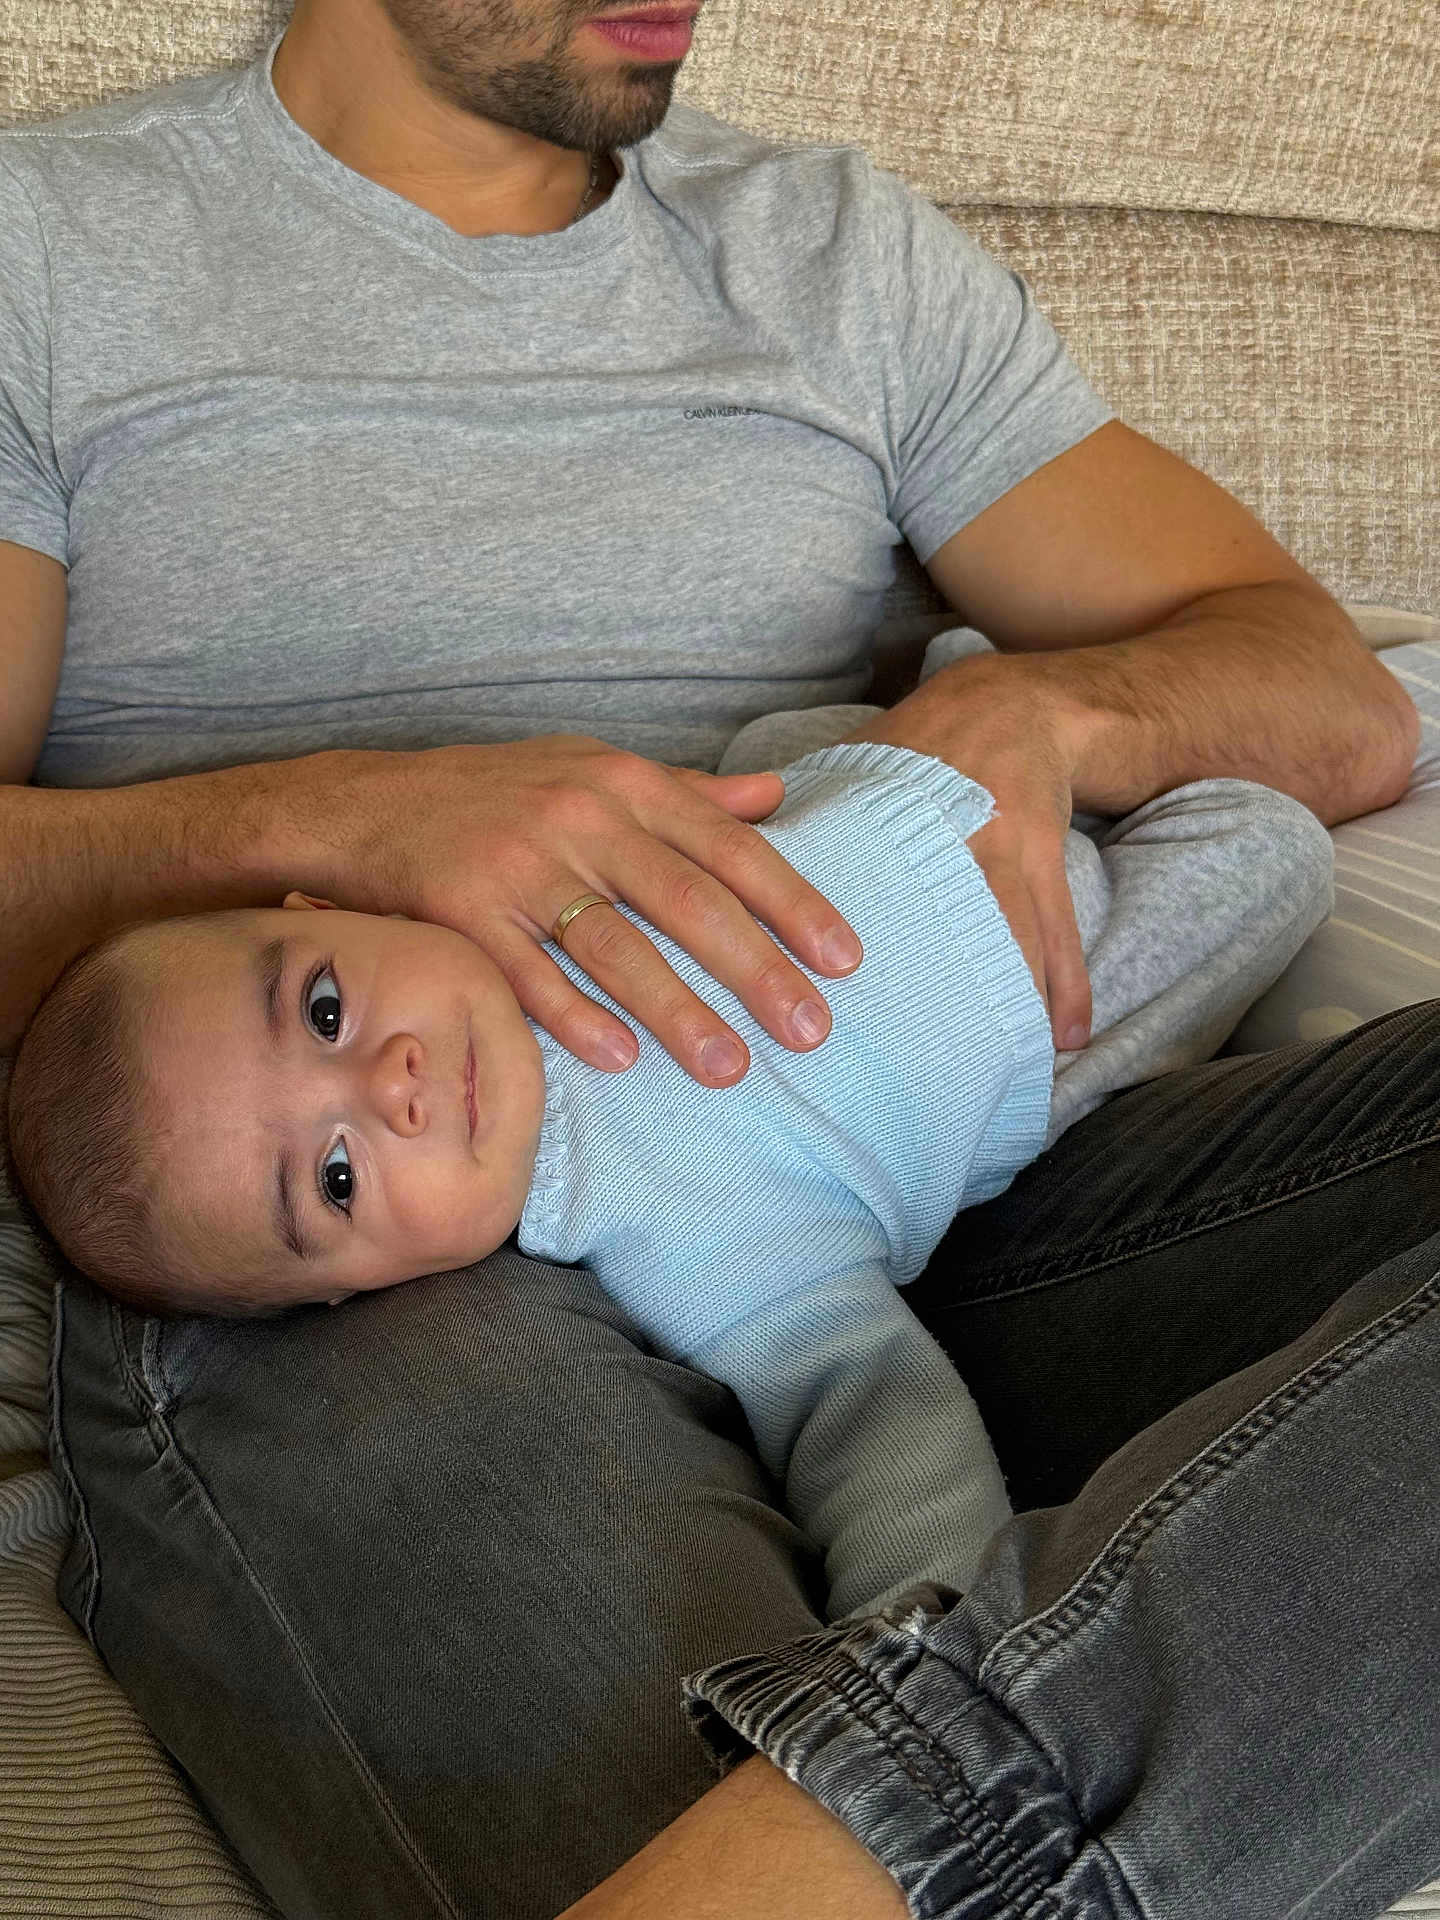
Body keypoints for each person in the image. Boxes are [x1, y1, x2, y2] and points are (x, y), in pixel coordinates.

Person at [1, 0, 1434, 1913]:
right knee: (656, 1784)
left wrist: (1055, 712)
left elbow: (1333, 693)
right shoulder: (46, 246)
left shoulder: (835, 252)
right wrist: (338, 819)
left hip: (981, 1142)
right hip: (360, 1257)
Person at [8, 744, 1333, 1623]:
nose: (391, 1084)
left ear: (324, 904)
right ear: (357, 1295)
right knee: (1271, 850)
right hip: (1049, 990)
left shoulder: (508, 869)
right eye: (339, 1178)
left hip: (883, 768)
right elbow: (865, 1400)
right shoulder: (670, 1239)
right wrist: (921, 1629)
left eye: (324, 1009)